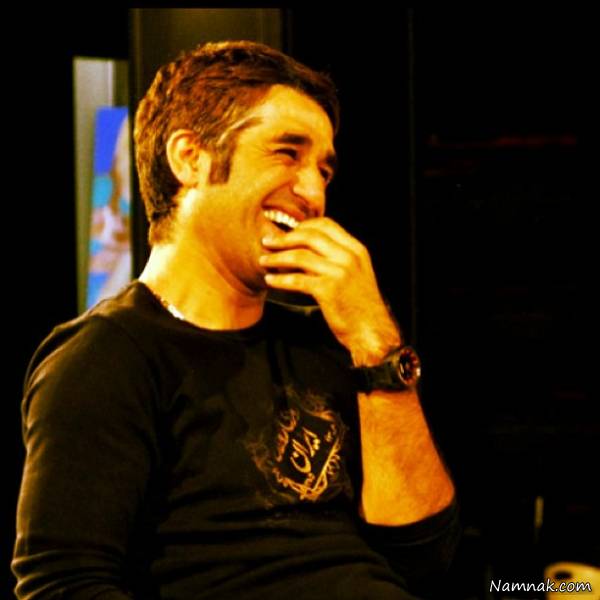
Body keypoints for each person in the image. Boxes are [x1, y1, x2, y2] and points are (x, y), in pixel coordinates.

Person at [12, 41, 460, 599]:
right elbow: (62, 585)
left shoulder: (331, 341)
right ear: (190, 158)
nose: (313, 193)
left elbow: (425, 561)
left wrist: (376, 343)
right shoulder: (107, 357)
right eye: (287, 153)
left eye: (324, 170)